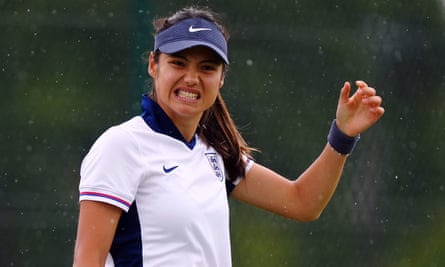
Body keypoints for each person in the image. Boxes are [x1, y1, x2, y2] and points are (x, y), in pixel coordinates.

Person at [72, 5, 385, 267]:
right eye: (178, 63)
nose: (191, 78)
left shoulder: (214, 151)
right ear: (154, 65)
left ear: (221, 79)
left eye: (207, 68)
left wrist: (342, 135)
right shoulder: (122, 146)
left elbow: (302, 202)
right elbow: (88, 260)